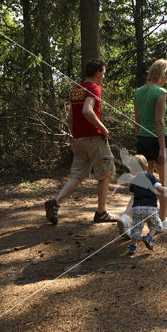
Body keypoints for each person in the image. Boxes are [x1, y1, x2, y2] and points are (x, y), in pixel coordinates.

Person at [44, 59, 118, 225]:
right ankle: (101, 212)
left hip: (78, 138)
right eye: (103, 73)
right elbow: (87, 110)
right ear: (98, 72)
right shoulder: (94, 88)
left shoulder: (76, 89)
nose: (103, 77)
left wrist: (76, 134)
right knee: (105, 173)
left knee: (77, 175)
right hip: (94, 137)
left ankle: (55, 203)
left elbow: (71, 118)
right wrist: (103, 128)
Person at [134, 59, 167, 231]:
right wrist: (161, 147)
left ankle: (134, 218)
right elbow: (159, 121)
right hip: (158, 140)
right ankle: (162, 221)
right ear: (161, 73)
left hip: (143, 140)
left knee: (145, 181)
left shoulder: (138, 92)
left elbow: (137, 122)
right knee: (164, 181)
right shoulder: (160, 91)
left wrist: (141, 139)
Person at [125, 155, 167, 255]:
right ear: (146, 168)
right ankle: (149, 237)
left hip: (137, 208)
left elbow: (133, 195)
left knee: (136, 228)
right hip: (151, 208)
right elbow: (160, 189)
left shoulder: (133, 181)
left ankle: (132, 246)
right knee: (158, 226)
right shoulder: (151, 177)